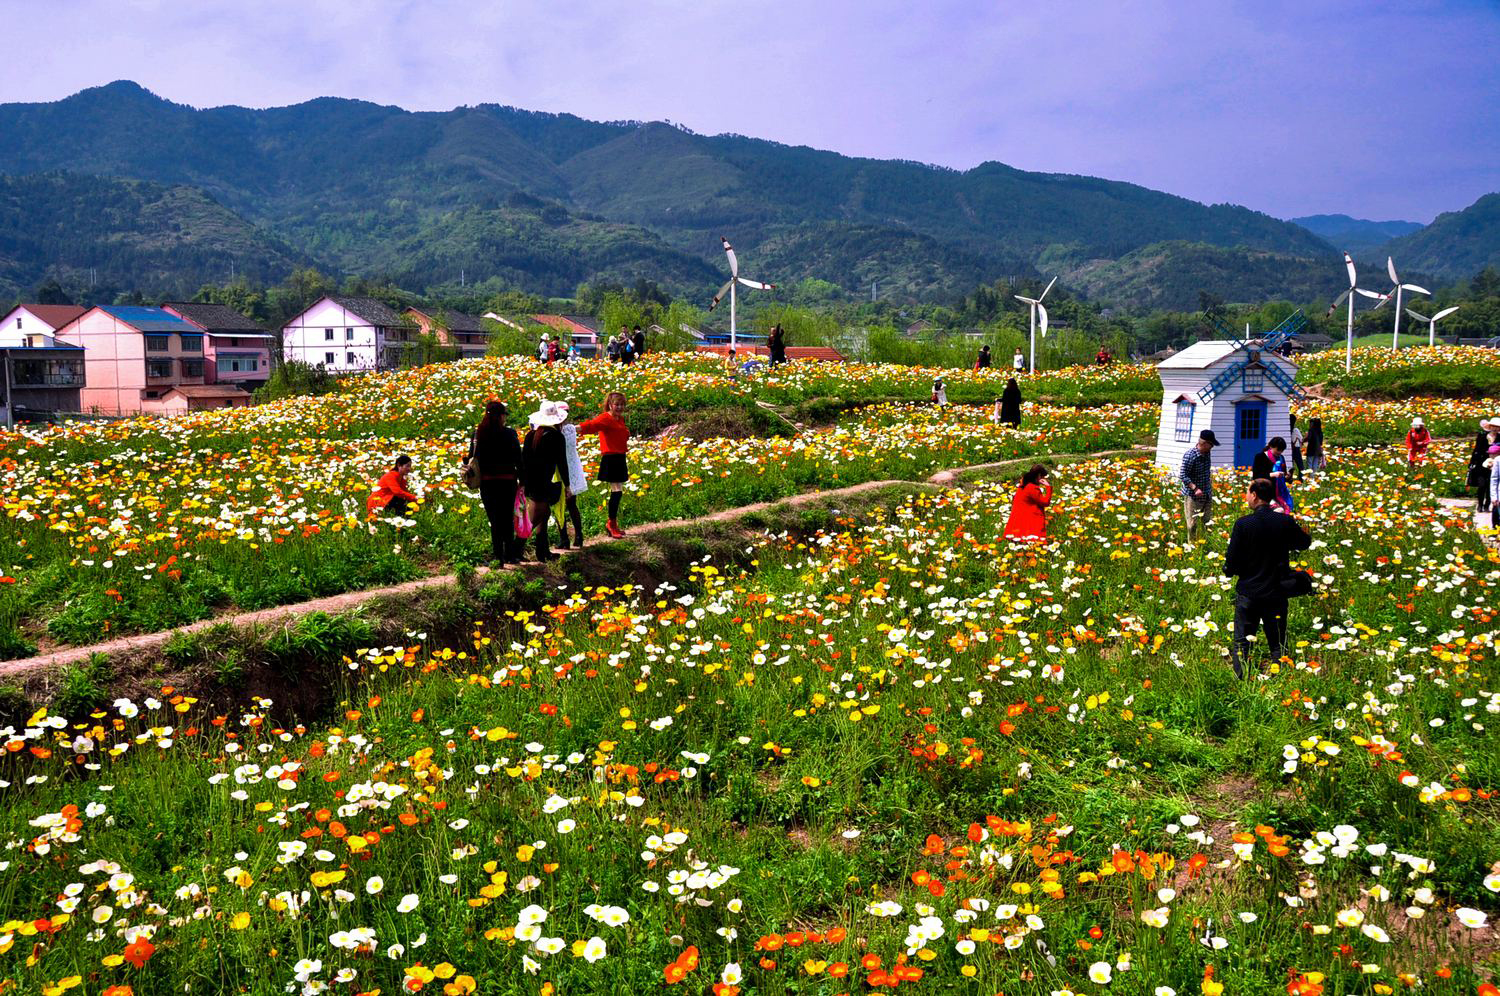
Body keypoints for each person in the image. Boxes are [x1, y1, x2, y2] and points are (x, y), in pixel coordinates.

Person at [1224, 477, 1312, 678]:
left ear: (1254, 495)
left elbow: (1232, 561)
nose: (1246, 496)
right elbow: (1304, 542)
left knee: (1242, 640)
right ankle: (1280, 676)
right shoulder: (1284, 521)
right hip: (1276, 590)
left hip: (1249, 591)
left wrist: (1230, 571)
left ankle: (1240, 678)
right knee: (1277, 639)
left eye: (1247, 492)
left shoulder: (1244, 524)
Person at [469, 400, 522, 563]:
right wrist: (523, 480)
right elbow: (518, 458)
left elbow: (472, 456)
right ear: (500, 416)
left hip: (488, 483)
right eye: (504, 415)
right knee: (507, 518)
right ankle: (511, 555)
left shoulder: (478, 434)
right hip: (507, 482)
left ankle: (498, 556)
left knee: (494, 519)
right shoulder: (509, 433)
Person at [579, 391, 631, 538]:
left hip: (619, 456)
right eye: (617, 404)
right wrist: (568, 429)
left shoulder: (619, 419)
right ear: (610, 404)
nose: (620, 407)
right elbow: (591, 425)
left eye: (622, 404)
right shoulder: (605, 418)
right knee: (617, 491)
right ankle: (611, 523)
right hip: (611, 458)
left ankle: (613, 523)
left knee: (618, 491)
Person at [521, 402, 568, 562]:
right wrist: (567, 485)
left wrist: (523, 481)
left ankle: (543, 552)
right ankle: (514, 549)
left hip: (531, 480)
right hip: (543, 481)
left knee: (544, 514)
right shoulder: (556, 437)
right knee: (535, 517)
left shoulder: (531, 435)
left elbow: (523, 460)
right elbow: (562, 463)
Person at [553, 402, 588, 549]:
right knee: (572, 505)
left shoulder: (555, 433)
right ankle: (579, 536)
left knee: (558, 505)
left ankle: (564, 539)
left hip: (559, 472)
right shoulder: (571, 429)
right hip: (573, 470)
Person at [1179, 429, 1219, 544]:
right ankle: (1192, 546)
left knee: (1207, 521)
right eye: (1211, 445)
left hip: (1206, 492)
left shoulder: (1207, 453)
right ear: (1205, 443)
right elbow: (1183, 475)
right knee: (1192, 524)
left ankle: (1207, 543)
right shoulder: (1190, 455)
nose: (1212, 448)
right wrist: (1195, 488)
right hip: (1193, 495)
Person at [1003, 465, 1052, 540]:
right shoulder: (1032, 488)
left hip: (1019, 519)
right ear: (1039, 476)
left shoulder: (1023, 485)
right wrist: (1048, 487)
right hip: (1030, 519)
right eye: (1043, 477)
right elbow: (1045, 502)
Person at [1252, 437, 1293, 513]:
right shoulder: (1260, 457)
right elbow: (1256, 476)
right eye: (1278, 450)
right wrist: (1273, 474)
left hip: (1280, 491)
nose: (1280, 452)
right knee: (1278, 511)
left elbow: (1283, 474)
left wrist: (1287, 477)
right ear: (1271, 447)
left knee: (1285, 511)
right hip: (1265, 492)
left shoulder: (1281, 458)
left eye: (1282, 451)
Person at [1467, 418, 1493, 513]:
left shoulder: (1499, 437)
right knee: (1481, 485)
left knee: (1491, 486)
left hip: (1494, 463)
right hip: (1481, 463)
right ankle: (1480, 504)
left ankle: (1487, 505)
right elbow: (1477, 449)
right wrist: (1472, 462)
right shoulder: (1482, 435)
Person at [1288, 414, 1305, 482]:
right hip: (1296, 449)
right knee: (1300, 465)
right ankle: (1301, 479)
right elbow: (1301, 439)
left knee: (1290, 465)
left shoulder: (1287, 429)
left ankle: (1289, 479)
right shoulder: (1295, 430)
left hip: (1289, 449)